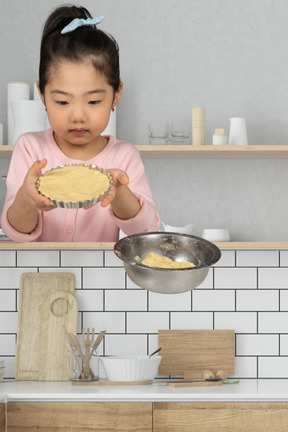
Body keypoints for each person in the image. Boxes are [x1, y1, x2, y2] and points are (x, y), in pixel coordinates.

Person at [1, 5, 159, 242]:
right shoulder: (29, 149)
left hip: (101, 277)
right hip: (42, 277)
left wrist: (119, 193)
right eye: (62, 101)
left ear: (116, 95)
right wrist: (25, 199)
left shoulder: (124, 156)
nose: (77, 116)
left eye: (93, 101)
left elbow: (145, 232)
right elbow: (18, 233)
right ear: (42, 95)